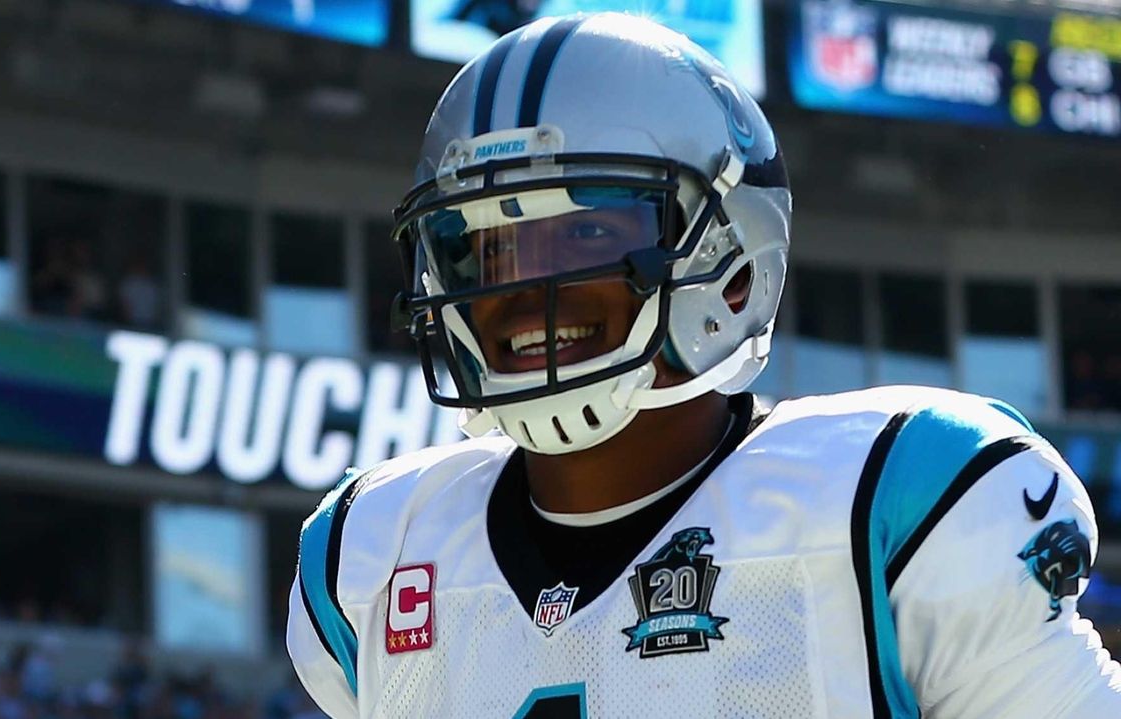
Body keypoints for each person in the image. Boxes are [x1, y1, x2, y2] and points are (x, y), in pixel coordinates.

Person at [286, 13, 1121, 718]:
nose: (526, 287)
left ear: (733, 261)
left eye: (585, 233)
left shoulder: (898, 503)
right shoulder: (370, 554)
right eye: (487, 250)